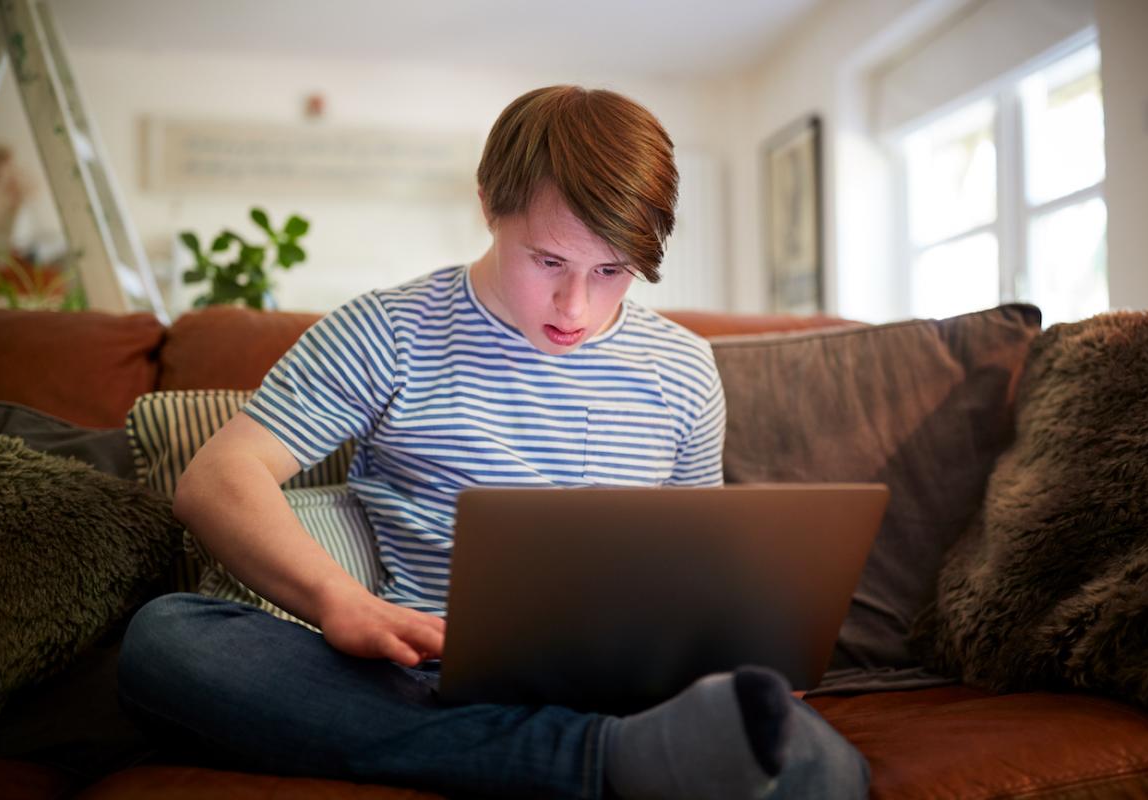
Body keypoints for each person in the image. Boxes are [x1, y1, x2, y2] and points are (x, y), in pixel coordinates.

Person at [118, 85, 870, 800]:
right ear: (488, 206)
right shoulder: (389, 331)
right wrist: (338, 600)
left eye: (612, 271)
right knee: (169, 643)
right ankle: (606, 765)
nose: (576, 307)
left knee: (825, 769)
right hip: (427, 679)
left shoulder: (683, 366)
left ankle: (603, 755)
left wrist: (743, 643)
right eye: (549, 262)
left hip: (641, 690)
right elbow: (218, 476)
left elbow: (704, 555)